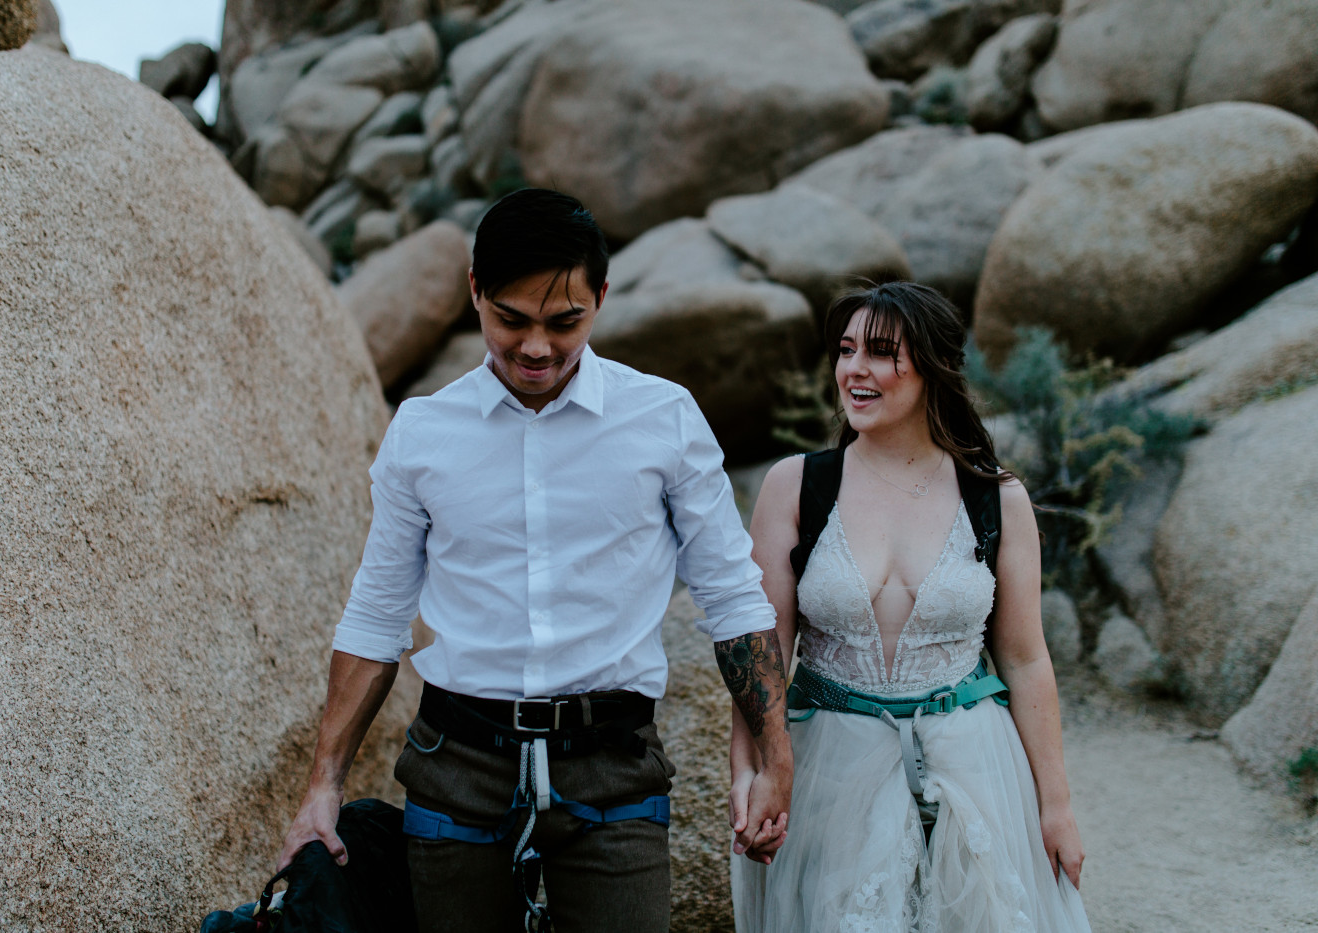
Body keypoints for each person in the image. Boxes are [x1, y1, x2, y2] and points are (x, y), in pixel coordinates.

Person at [277, 187, 793, 933]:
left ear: (602, 297)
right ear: (475, 291)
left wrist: (775, 758)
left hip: (614, 770)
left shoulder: (665, 418)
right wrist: (323, 785)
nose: (537, 347)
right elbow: (376, 616)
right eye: (510, 319)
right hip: (457, 770)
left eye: (565, 321)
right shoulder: (423, 433)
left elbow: (734, 600)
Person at [729, 281, 1090, 931]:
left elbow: (1026, 657)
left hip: (975, 762)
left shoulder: (997, 498)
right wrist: (750, 771)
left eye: (880, 352)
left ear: (933, 366)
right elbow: (762, 654)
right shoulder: (795, 486)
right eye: (844, 350)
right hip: (831, 769)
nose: (854, 369)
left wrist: (1056, 805)